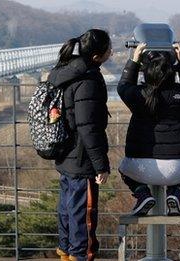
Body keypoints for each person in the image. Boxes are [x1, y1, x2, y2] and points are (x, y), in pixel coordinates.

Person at [47, 29, 112, 261]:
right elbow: (88, 127)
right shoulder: (87, 81)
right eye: (108, 48)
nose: (111, 51)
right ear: (97, 56)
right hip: (81, 157)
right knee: (83, 214)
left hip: (65, 153)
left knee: (67, 207)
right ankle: (79, 255)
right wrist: (101, 165)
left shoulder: (66, 71)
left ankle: (65, 251)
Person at [117, 43, 180, 216]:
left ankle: (142, 194)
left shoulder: (138, 95)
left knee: (123, 168)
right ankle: (175, 193)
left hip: (141, 169)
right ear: (171, 73)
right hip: (178, 169)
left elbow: (123, 85)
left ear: (146, 73)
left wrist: (134, 60)